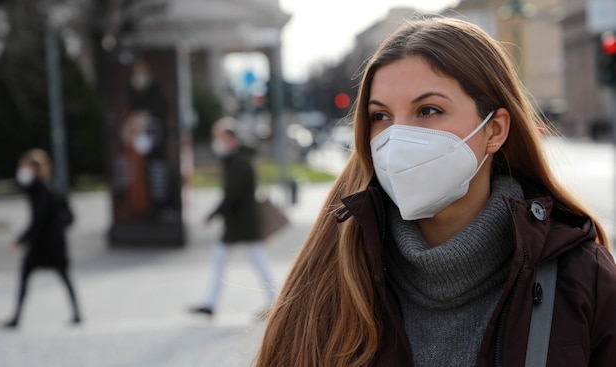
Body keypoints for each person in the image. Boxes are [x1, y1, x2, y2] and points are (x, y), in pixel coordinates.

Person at [255, 17, 616, 366]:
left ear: (494, 130)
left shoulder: (583, 277)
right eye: (380, 116)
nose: (397, 140)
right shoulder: (332, 274)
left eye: (428, 110)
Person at [190, 117, 277, 317]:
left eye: (218, 137)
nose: (216, 142)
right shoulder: (236, 160)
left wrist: (212, 215)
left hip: (243, 223)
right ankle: (210, 304)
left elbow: (232, 195)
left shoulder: (239, 162)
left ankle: (276, 302)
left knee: (255, 260)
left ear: (230, 138)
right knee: (233, 259)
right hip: (241, 222)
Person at [1, 149, 81, 328]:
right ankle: (76, 314)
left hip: (47, 243)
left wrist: (21, 240)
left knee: (44, 275)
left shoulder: (42, 190)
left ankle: (17, 318)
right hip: (50, 242)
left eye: (27, 167)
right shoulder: (42, 188)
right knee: (61, 276)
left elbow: (39, 221)